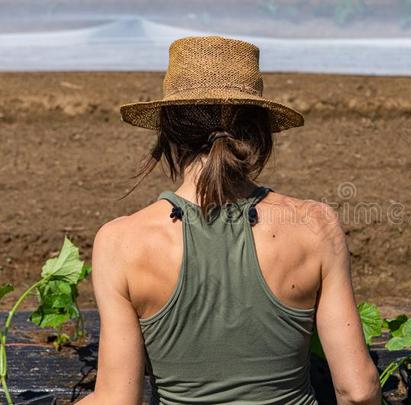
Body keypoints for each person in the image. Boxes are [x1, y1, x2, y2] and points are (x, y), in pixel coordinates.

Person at [78, 36, 381, 405]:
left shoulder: (120, 242)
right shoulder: (315, 225)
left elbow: (118, 400)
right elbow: (358, 391)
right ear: (259, 131)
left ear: (169, 132)